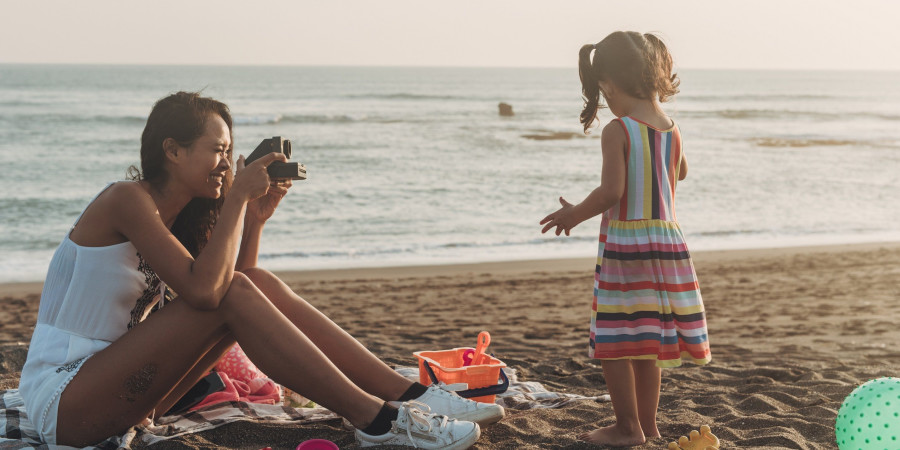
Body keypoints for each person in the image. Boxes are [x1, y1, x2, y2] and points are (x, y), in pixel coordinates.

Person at [18, 91, 503, 449]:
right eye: (218, 150)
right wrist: (235, 201)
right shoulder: (127, 200)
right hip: (65, 400)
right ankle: (379, 422)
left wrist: (253, 219)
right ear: (172, 150)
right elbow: (210, 296)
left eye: (229, 153)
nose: (225, 163)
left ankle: (413, 394)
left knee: (258, 283)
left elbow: (239, 297)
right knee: (231, 291)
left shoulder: (175, 221)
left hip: (125, 393)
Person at [539, 32, 711, 446]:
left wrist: (574, 214)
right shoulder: (672, 128)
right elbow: (681, 172)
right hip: (667, 246)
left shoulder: (618, 130)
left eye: (603, 92)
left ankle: (627, 427)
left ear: (610, 85)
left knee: (615, 339)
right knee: (647, 339)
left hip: (628, 246)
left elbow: (612, 192)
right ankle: (647, 426)